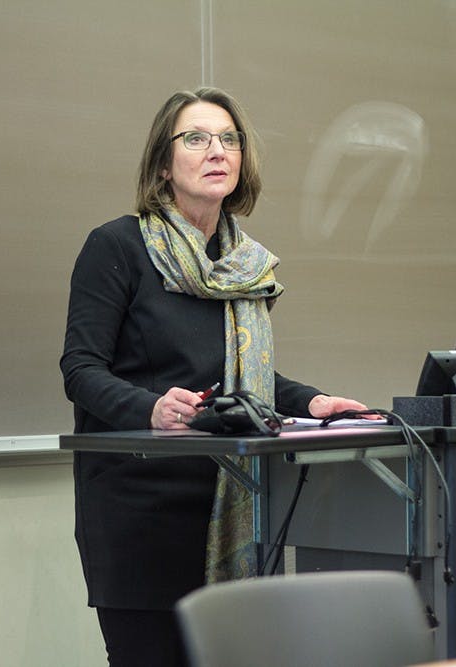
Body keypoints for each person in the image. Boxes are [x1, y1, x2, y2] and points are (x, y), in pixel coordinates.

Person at [60, 86, 371, 667]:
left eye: (230, 139)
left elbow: (245, 382)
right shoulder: (117, 247)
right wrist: (149, 408)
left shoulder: (243, 266)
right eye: (197, 138)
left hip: (236, 502)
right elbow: (80, 369)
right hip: (142, 512)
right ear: (162, 162)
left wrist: (318, 402)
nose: (217, 151)